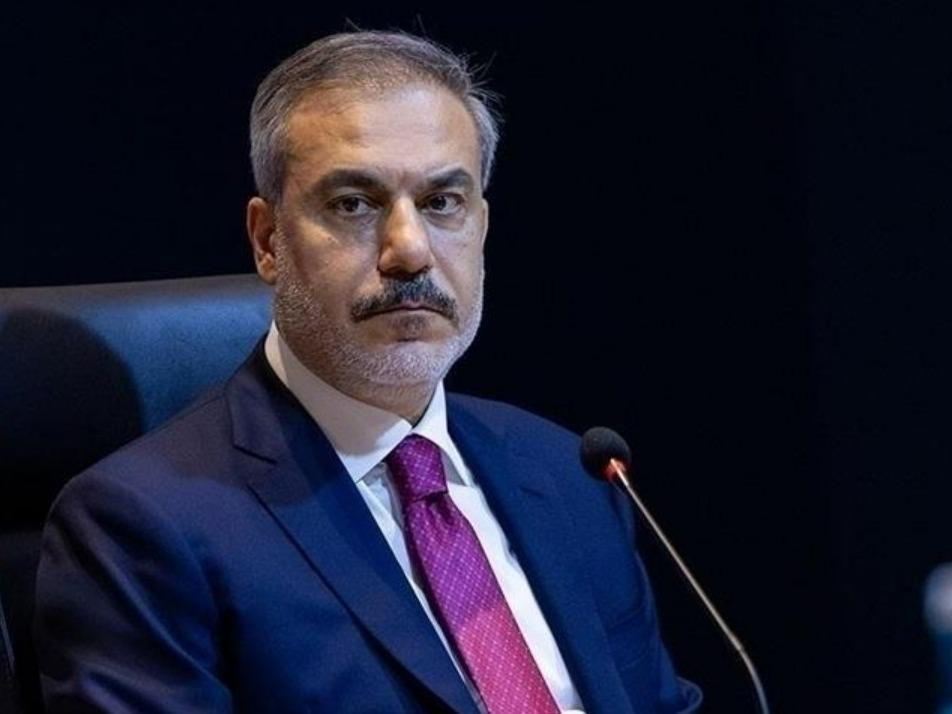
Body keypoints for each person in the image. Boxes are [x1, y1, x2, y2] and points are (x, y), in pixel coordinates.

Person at [34, 31, 702, 713]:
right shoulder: (143, 526)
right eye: (354, 203)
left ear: (481, 226)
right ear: (267, 241)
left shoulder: (570, 476)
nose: (409, 251)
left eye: (442, 203)